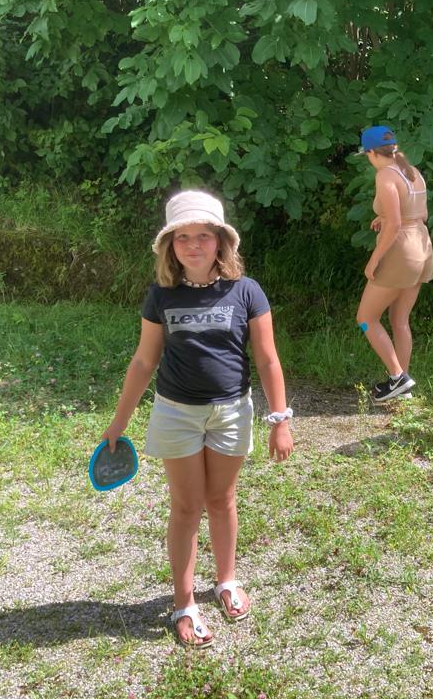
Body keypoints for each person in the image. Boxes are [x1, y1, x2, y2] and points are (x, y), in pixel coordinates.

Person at [102, 190, 294, 648]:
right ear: (170, 245)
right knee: (186, 508)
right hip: (176, 414)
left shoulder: (246, 291)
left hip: (231, 413)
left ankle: (226, 580)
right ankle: (184, 602)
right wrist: (119, 423)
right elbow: (144, 361)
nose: (193, 245)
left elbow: (267, 358)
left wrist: (280, 419)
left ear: (220, 241)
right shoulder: (161, 295)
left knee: (222, 499)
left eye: (203, 236)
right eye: (183, 237)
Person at [355, 125, 433, 403]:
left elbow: (396, 224)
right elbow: (419, 214)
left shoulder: (385, 175)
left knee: (366, 319)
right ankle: (401, 384)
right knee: (400, 319)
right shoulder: (412, 171)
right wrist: (386, 217)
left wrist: (374, 259)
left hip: (400, 252)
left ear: (371, 153)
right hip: (422, 247)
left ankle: (398, 376)